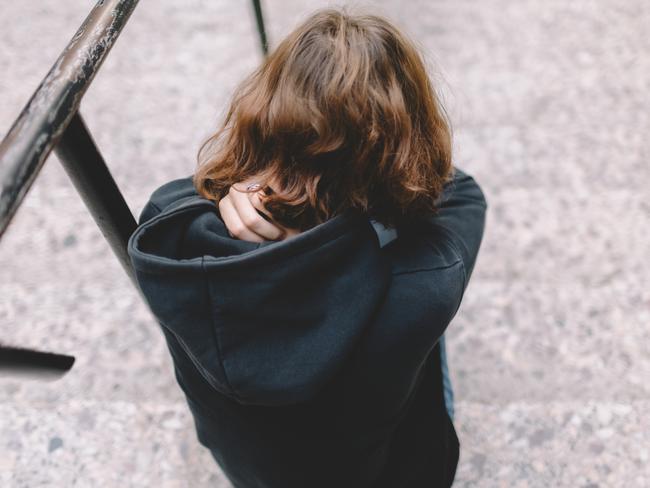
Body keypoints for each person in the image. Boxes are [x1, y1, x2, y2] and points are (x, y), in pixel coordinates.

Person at [127, 7, 486, 488]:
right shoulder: (422, 283)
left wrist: (229, 190)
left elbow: (176, 195)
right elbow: (460, 192)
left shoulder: (172, 237)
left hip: (256, 471)